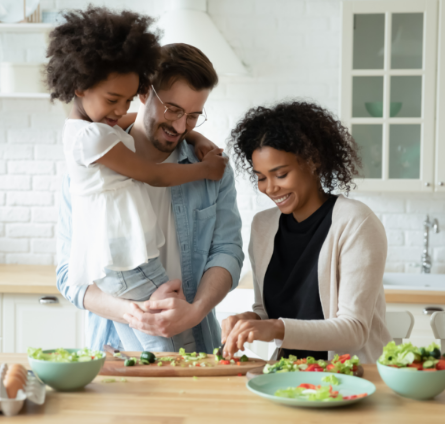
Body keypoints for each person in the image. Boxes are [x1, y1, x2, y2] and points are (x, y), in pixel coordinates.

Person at [55, 13, 243, 353]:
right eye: (172, 109)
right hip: (113, 349)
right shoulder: (90, 167)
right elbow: (70, 277)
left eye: (194, 115)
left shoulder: (212, 166)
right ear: (144, 93)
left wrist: (194, 311)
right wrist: (136, 314)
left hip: (197, 339)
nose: (181, 125)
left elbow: (227, 253)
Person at [222, 101, 391, 363]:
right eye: (261, 177)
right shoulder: (263, 226)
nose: (270, 188)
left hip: (351, 378)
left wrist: (273, 328)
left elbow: (354, 330)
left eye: (281, 174)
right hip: (287, 375)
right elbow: (267, 312)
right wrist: (250, 320)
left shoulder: (356, 222)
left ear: (313, 161)